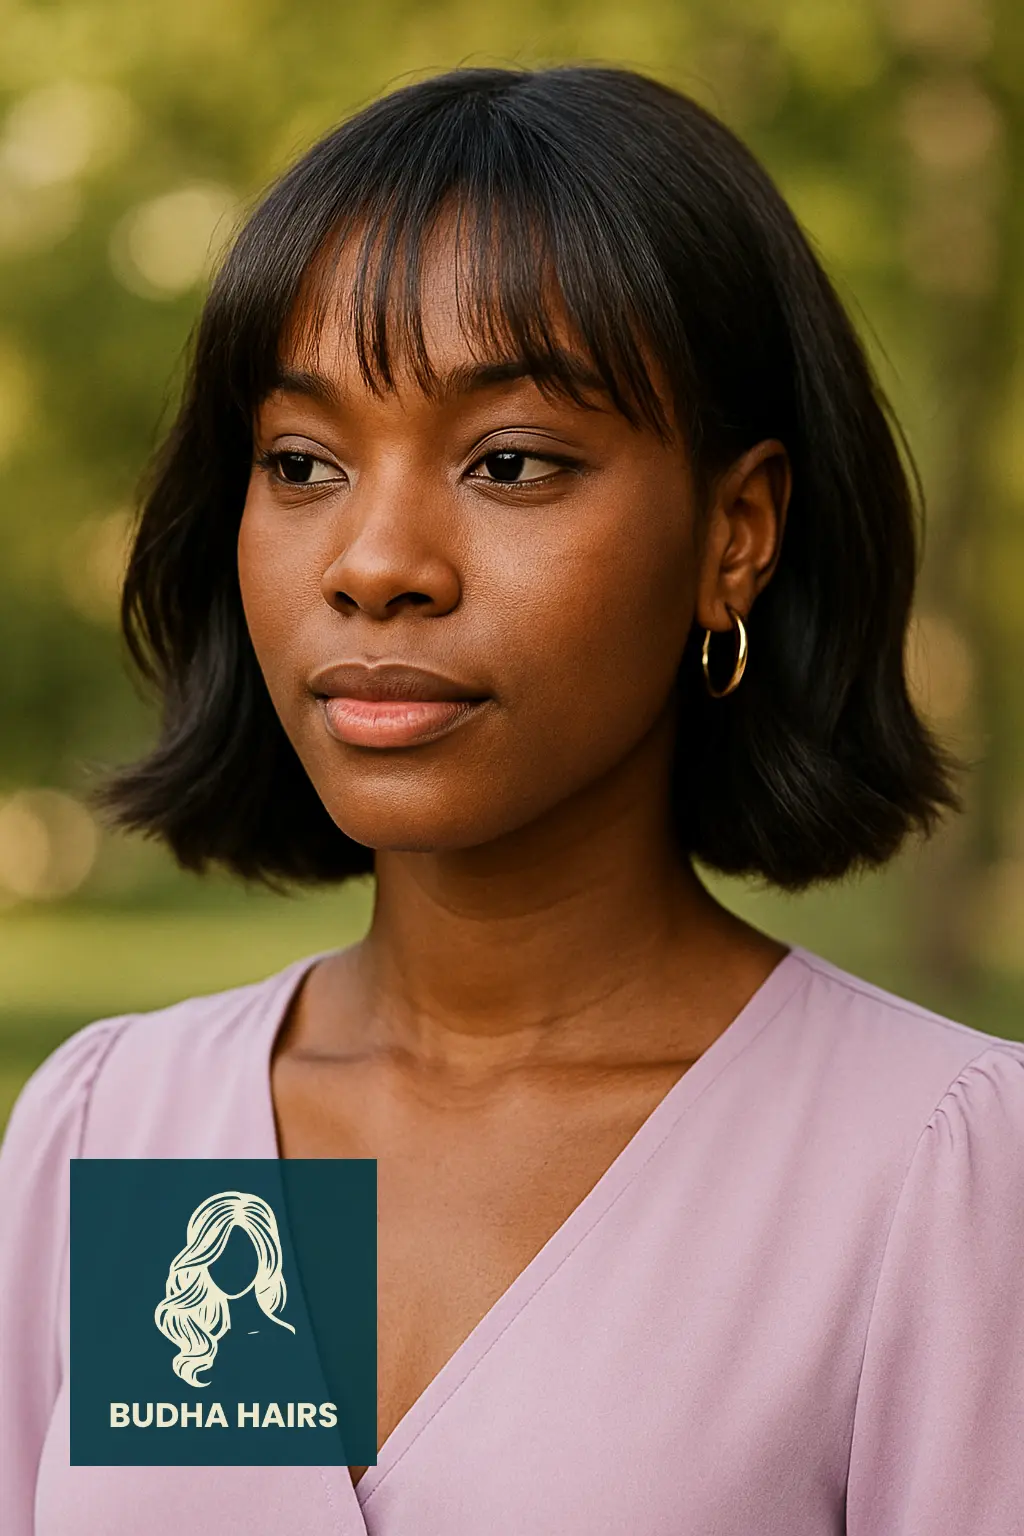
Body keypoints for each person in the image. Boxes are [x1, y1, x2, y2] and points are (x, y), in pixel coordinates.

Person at [1, 64, 1022, 1536]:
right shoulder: (129, 1133)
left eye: (509, 461)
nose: (375, 560)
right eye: (301, 462)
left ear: (736, 534)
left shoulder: (936, 1167)